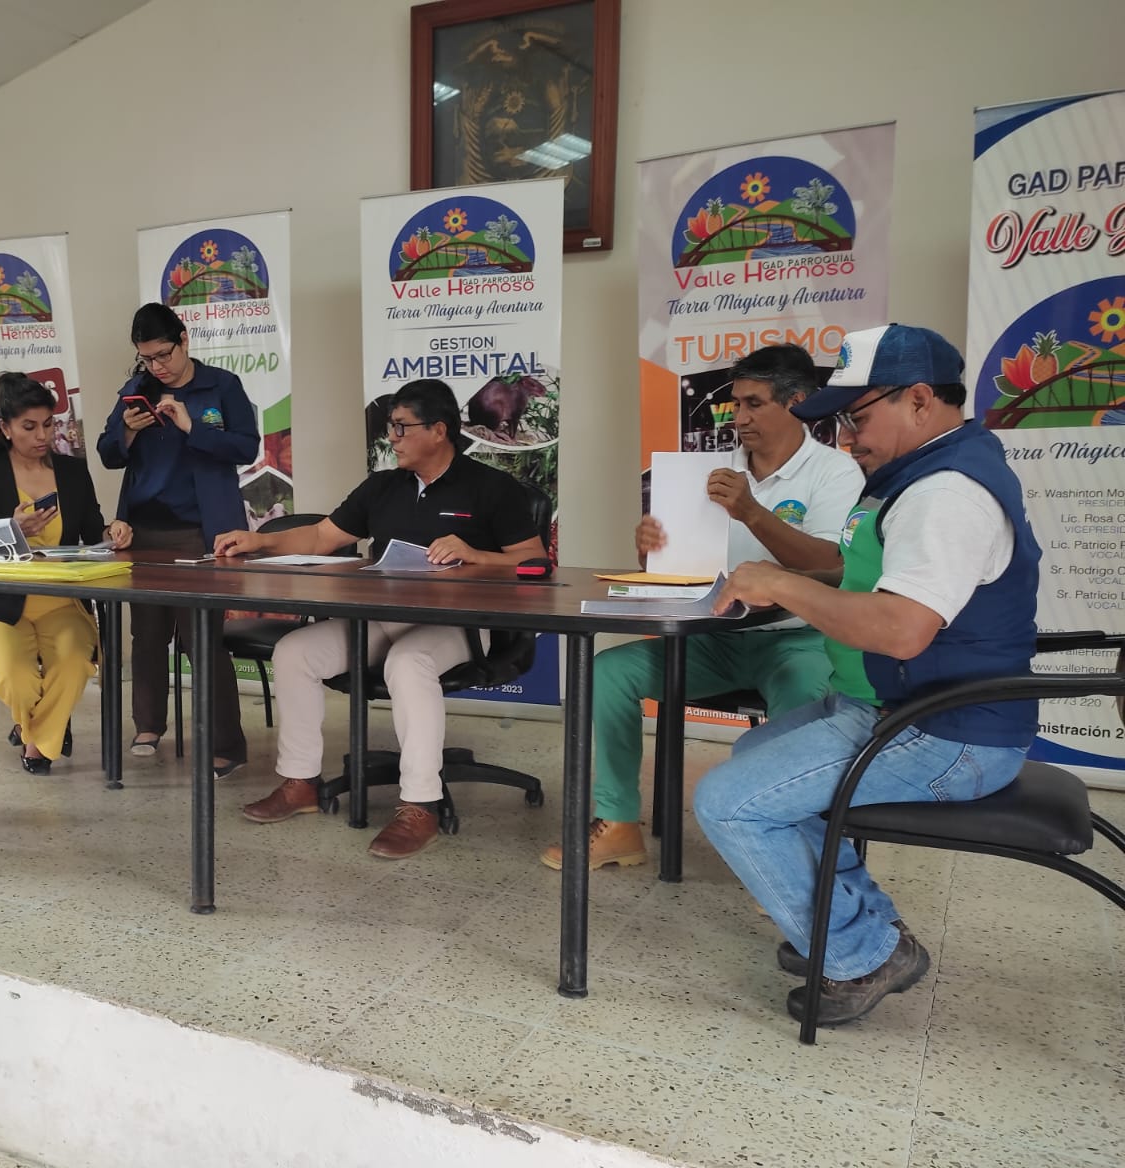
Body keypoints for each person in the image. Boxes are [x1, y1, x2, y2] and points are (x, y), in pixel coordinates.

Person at [693, 324, 1039, 1026]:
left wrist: (783, 585)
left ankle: (862, 956)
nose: (848, 438)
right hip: (898, 707)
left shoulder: (948, 492)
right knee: (755, 752)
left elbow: (902, 629)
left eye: (859, 417)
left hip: (948, 732)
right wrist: (783, 578)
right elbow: (861, 576)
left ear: (920, 400)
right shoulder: (917, 475)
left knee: (728, 801)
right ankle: (863, 924)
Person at [540, 345, 864, 873]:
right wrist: (650, 550)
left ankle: (793, 856)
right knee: (607, 673)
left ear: (798, 403)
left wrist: (752, 512)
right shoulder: (708, 469)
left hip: (798, 638)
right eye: (736, 404)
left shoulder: (835, 472)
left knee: (803, 696)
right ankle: (618, 823)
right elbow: (678, 570)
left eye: (754, 404)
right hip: (713, 635)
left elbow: (831, 564)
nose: (739, 418)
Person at [214, 379, 546, 859]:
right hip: (383, 617)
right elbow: (320, 538)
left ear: (438, 430)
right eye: (391, 427)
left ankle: (419, 806)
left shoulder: (492, 488)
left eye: (402, 427)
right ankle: (300, 782)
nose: (392, 437)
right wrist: (259, 540)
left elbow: (534, 561)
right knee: (294, 652)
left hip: (460, 627)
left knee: (408, 663)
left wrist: (475, 554)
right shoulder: (382, 486)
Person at [95, 303, 256, 777]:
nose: (157, 366)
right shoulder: (136, 391)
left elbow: (247, 447)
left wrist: (193, 427)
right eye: (146, 358)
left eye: (163, 355)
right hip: (144, 530)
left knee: (202, 639)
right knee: (146, 636)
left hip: (202, 532)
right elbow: (107, 454)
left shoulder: (222, 386)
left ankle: (226, 743)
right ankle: (148, 726)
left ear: (184, 340)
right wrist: (126, 431)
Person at [0, 372, 132, 774]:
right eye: (29, 427)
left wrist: (114, 532)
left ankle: (35, 742)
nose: (42, 435)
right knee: (15, 680)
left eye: (48, 424)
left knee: (73, 663)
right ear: (5, 428)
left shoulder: (72, 471)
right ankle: (47, 725)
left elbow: (93, 531)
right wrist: (11, 529)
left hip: (61, 601)